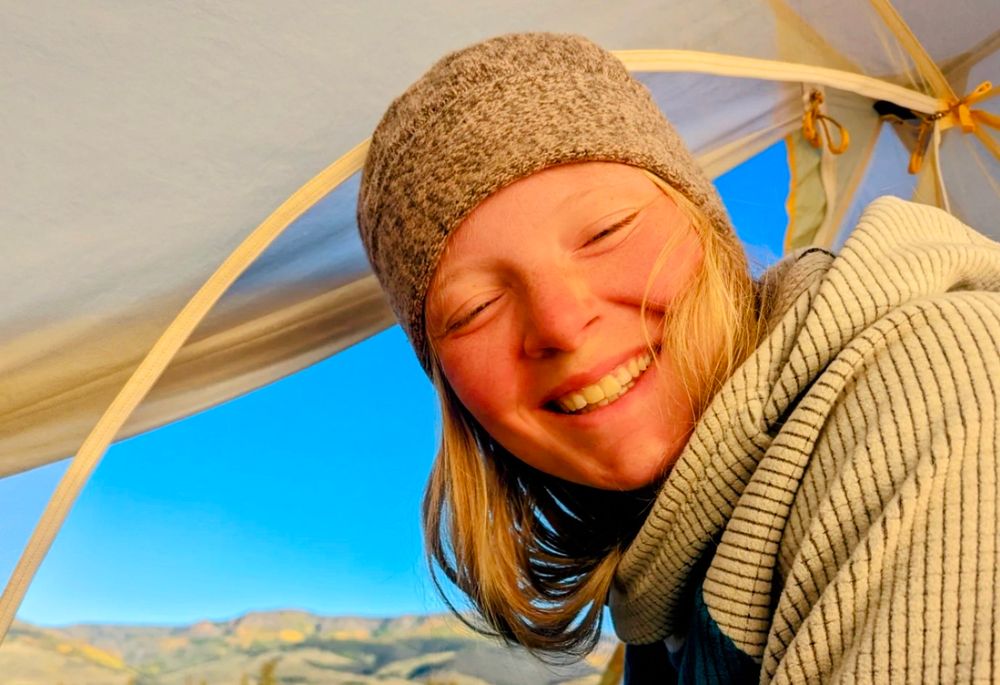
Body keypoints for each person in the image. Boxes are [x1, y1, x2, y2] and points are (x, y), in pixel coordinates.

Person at [356, 32, 1000, 684]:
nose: (561, 323)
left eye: (605, 232)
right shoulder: (660, 599)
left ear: (706, 223)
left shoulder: (933, 388)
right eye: (475, 309)